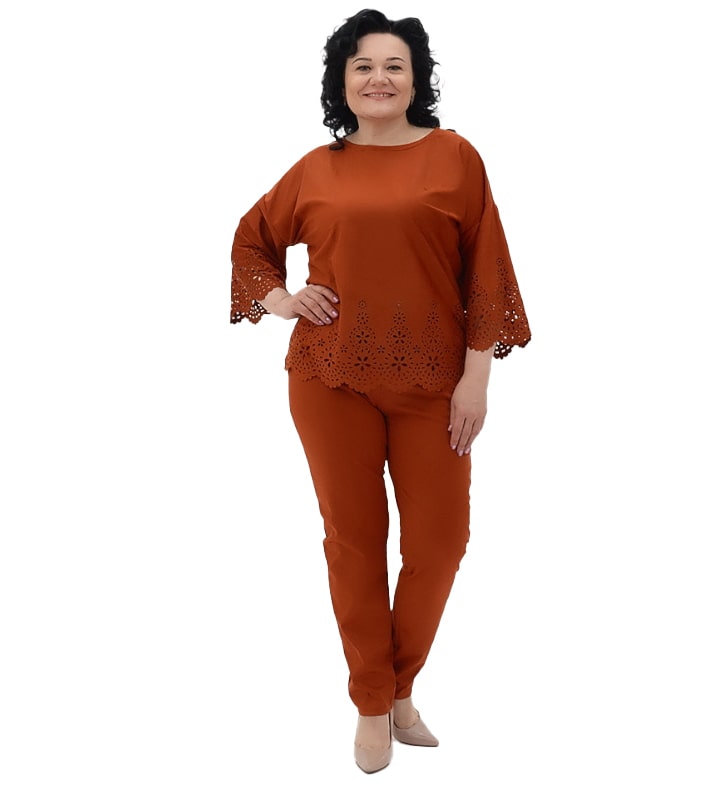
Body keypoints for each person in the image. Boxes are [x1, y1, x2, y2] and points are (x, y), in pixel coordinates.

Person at [230, 8, 531, 773]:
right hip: (330, 378)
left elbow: (486, 272)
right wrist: (281, 299)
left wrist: (476, 381)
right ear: (342, 80)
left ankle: (398, 686)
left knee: (440, 542)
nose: (378, 78)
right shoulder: (315, 169)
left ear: (417, 78)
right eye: (362, 65)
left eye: (394, 64)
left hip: (436, 383)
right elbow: (252, 240)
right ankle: (375, 704)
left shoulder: (456, 157)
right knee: (354, 542)